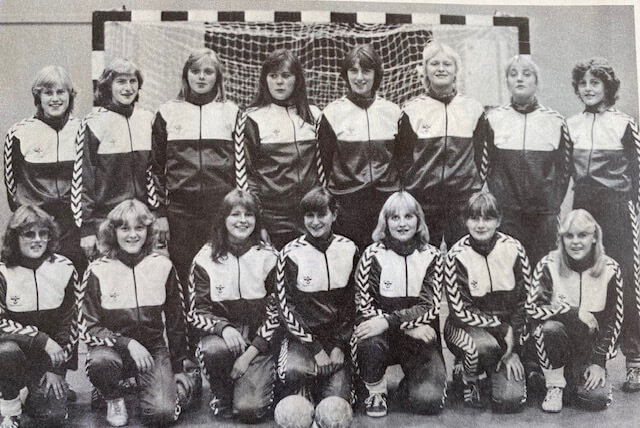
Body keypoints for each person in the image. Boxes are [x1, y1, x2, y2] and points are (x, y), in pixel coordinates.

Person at [79, 199, 193, 427]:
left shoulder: (163, 266)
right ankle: (112, 396)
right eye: (125, 228)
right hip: (112, 350)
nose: (132, 235)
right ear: (113, 232)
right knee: (101, 362)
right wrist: (127, 343)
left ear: (148, 231)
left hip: (152, 349)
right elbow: (88, 328)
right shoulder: (98, 270)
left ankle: (146, 384)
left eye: (139, 228)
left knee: (162, 414)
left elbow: (176, 321)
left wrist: (178, 367)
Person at [567, 57, 640, 392]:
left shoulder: (624, 124)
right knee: (585, 279)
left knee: (626, 280)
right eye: (583, 83)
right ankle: (589, 358)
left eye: (595, 82)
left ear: (608, 87)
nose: (588, 88)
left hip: (617, 208)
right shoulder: (571, 124)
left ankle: (635, 359)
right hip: (584, 207)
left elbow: (637, 171)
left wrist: (631, 207)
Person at [151, 47, 241, 290]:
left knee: (220, 271)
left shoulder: (231, 112)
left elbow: (242, 168)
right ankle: (186, 316)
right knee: (183, 272)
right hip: (180, 212)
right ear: (186, 75)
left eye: (208, 72)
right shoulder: (167, 112)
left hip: (220, 209)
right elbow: (155, 168)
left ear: (217, 77)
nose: (201, 77)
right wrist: (159, 212)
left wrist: (238, 208)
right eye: (195, 71)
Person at [188, 189, 279, 422]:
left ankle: (256, 384)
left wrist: (250, 353)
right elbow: (196, 312)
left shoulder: (269, 256)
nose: (242, 220)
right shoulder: (205, 258)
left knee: (249, 410)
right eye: (235, 214)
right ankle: (221, 393)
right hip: (224, 339)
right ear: (223, 219)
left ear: (256, 220)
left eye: (249, 215)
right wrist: (224, 328)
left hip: (259, 342)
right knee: (213, 350)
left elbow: (278, 313)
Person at [353, 190, 446, 417]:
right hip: (383, 339)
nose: (402, 223)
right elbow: (364, 306)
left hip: (419, 339)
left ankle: (411, 386)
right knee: (367, 337)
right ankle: (376, 391)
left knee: (428, 402)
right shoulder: (372, 255)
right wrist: (406, 326)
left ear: (418, 221)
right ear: (385, 222)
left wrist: (390, 321)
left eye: (408, 216)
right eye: (395, 217)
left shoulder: (432, 256)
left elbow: (429, 306)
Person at [526, 209, 623, 412]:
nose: (575, 242)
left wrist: (598, 362)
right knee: (550, 328)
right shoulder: (548, 264)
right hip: (553, 345)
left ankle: (562, 380)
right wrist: (574, 312)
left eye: (582, 235)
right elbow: (532, 309)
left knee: (596, 399)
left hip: (587, 351)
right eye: (569, 236)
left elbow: (613, 321)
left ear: (594, 237)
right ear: (562, 238)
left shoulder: (610, 268)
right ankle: (554, 384)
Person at [71, 58, 166, 260]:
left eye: (133, 81)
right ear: (108, 86)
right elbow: (82, 180)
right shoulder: (93, 123)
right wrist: (86, 228)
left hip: (141, 221)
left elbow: (154, 173)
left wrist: (158, 212)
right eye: (121, 81)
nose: (128, 88)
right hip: (106, 221)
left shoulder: (147, 119)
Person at [445, 192, 529, 412]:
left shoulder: (514, 249)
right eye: (474, 218)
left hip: (508, 333)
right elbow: (461, 311)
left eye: (488, 218)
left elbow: (524, 301)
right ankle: (469, 377)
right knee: (481, 347)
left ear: (498, 220)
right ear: (465, 221)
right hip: (467, 328)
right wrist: (501, 330)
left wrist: (514, 347)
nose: (481, 225)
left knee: (510, 400)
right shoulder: (456, 255)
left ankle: (496, 370)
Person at [398, 41, 487, 249]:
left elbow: (482, 156)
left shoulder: (473, 109)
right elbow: (402, 158)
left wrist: (472, 188)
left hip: (462, 200)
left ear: (456, 71)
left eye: (447, 64)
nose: (441, 69)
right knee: (423, 256)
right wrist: (413, 187)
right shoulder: (411, 110)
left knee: (463, 254)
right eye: (434, 64)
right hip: (423, 200)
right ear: (425, 70)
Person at [485, 55, 571, 266]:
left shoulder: (555, 121)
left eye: (527, 74)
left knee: (542, 268)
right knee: (509, 269)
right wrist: (500, 198)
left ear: (536, 81)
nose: (520, 79)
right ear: (507, 82)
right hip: (507, 213)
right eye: (513, 74)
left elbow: (565, 168)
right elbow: (486, 164)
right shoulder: (493, 119)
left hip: (543, 215)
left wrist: (551, 204)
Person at [276, 187, 357, 406]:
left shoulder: (349, 249)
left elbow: (352, 303)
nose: (315, 222)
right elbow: (286, 308)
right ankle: (303, 385)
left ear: (334, 215)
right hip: (303, 339)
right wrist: (315, 349)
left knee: (337, 402)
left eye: (322, 215)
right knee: (293, 372)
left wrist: (340, 345)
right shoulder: (290, 253)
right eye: (309, 216)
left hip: (336, 339)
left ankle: (326, 383)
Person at [0, 205, 80, 427]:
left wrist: (57, 369)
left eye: (43, 233)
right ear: (15, 237)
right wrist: (40, 339)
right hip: (14, 354)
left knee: (52, 417)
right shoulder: (2, 271)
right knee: (5, 351)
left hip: (49, 359)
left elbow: (72, 323)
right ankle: (10, 408)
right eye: (29, 234)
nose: (37, 240)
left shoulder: (64, 268)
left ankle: (34, 390)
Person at [318, 44, 403, 249]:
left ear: (376, 74)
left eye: (366, 71)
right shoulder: (332, 113)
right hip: (347, 204)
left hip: (385, 201)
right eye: (353, 71)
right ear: (345, 74)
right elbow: (323, 164)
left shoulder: (393, 112)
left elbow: (403, 159)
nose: (359, 77)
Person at [4, 65, 85, 274]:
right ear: (38, 96)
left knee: (71, 281)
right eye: (48, 93)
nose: (55, 99)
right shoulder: (19, 133)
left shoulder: (82, 130)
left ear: (70, 95)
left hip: (73, 227)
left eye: (61, 92)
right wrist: (30, 217)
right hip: (36, 227)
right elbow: (12, 186)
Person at [239, 49, 323, 249]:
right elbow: (247, 175)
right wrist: (258, 221)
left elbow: (323, 169)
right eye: (273, 76)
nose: (279, 82)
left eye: (286, 76)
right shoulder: (252, 118)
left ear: (297, 79)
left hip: (310, 217)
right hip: (273, 219)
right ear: (264, 79)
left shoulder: (314, 115)